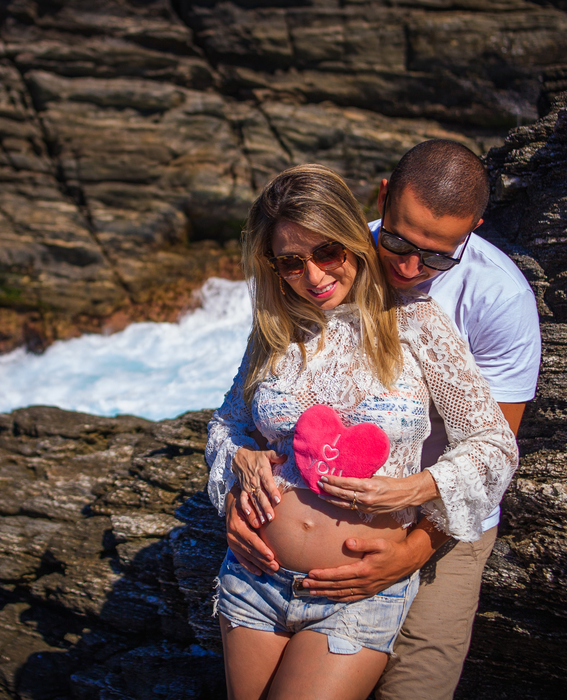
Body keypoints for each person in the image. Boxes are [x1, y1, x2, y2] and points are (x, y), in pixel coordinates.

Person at [224, 141, 542, 700]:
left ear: (472, 231)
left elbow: (495, 445)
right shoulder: (323, 261)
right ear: (383, 200)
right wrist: (233, 476)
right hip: (258, 580)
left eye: (438, 255)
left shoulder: (490, 299)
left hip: (438, 523)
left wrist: (412, 546)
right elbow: (240, 420)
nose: (409, 266)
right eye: (396, 240)